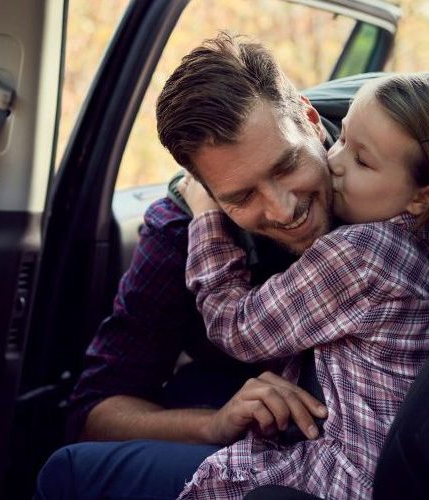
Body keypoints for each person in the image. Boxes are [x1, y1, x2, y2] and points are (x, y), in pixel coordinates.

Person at [35, 33, 358, 499]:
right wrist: (217, 423)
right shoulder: (182, 230)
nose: (284, 209)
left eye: (287, 165)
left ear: (309, 120)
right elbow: (96, 412)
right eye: (242, 197)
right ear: (202, 190)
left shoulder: (391, 164)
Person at [175, 72, 429, 499]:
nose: (335, 162)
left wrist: (205, 218)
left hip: (345, 474)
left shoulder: (359, 253)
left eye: (362, 161)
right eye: (343, 137)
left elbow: (238, 328)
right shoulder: (408, 245)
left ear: (420, 197)